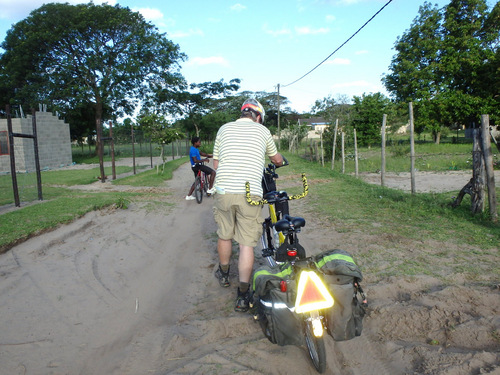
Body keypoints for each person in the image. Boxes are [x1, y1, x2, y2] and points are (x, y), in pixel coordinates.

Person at [212, 98, 283, 312]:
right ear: (258, 116)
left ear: (243, 113)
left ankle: (224, 274)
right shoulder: (263, 132)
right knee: (246, 245)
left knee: (224, 234)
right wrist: (279, 160)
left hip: (224, 189)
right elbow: (276, 159)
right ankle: (243, 295)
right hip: (250, 192)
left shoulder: (223, 129)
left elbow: (216, 163)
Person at [185, 136, 216, 200]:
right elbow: (195, 160)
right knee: (213, 172)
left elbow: (202, 154)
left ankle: (189, 196)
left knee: (197, 181)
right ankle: (210, 189)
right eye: (199, 142)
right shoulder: (193, 150)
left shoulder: (195, 149)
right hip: (198, 166)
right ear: (195, 143)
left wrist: (212, 156)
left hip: (194, 167)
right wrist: (204, 160)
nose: (200, 143)